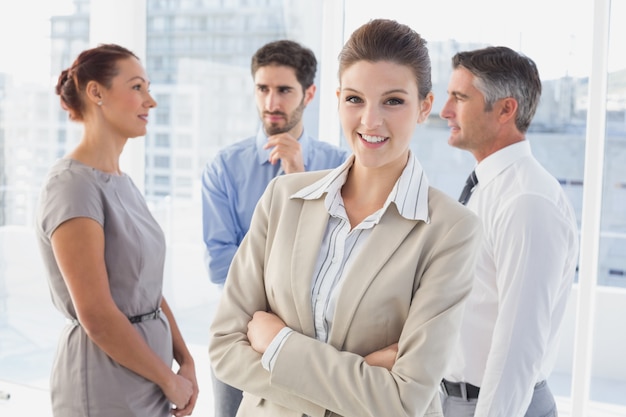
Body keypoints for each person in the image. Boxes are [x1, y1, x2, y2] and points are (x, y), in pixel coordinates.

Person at [209, 19, 482, 417]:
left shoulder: (450, 230)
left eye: (393, 101)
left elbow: (404, 401)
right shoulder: (283, 198)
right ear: (337, 99)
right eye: (355, 99)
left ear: (424, 106)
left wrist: (279, 343)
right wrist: (361, 381)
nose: (370, 121)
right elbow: (223, 347)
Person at [35, 44, 199, 417]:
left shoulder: (122, 182)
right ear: (96, 93)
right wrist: (169, 380)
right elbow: (95, 314)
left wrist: (185, 360)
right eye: (138, 87)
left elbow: (147, 290)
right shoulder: (72, 185)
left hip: (149, 378)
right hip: (105, 378)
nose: (151, 101)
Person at [201, 39, 348, 416]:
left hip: (315, 343)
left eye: (283, 90)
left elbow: (342, 259)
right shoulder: (224, 168)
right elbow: (220, 266)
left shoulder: (339, 166)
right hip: (240, 337)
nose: (271, 103)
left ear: (309, 93)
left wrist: (299, 179)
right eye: (262, 89)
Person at [439, 46, 579, 417]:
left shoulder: (527, 201)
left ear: (505, 109)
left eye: (460, 97)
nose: (445, 111)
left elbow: (519, 344)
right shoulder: (488, 187)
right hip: (457, 401)